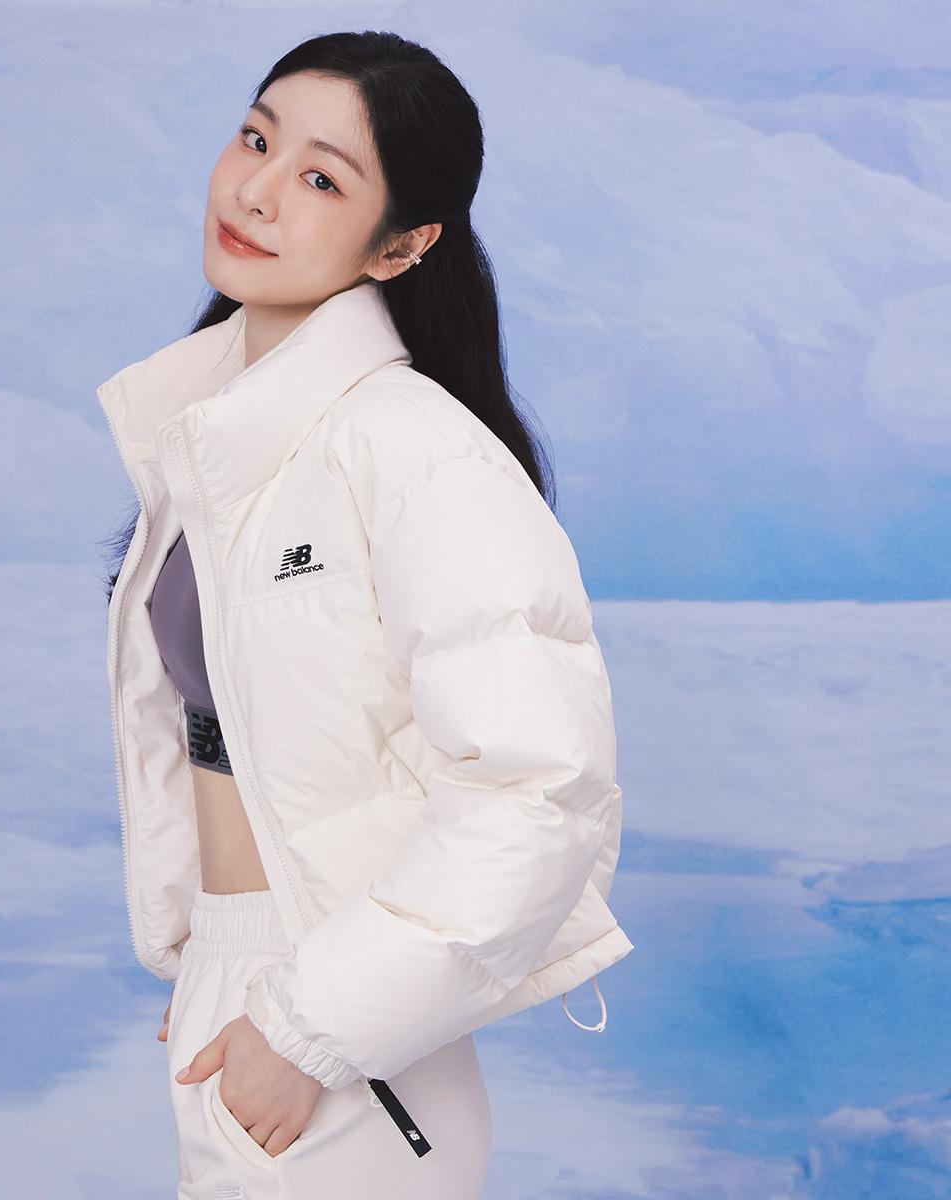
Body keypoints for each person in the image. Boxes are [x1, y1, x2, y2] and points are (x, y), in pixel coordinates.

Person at [96, 30, 634, 1200]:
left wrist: (304, 1026)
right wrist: (221, 961)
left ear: (402, 243)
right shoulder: (212, 440)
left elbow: (540, 792)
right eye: (255, 139)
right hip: (252, 998)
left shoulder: (420, 452)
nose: (257, 191)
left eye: (321, 178)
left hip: (342, 1042)